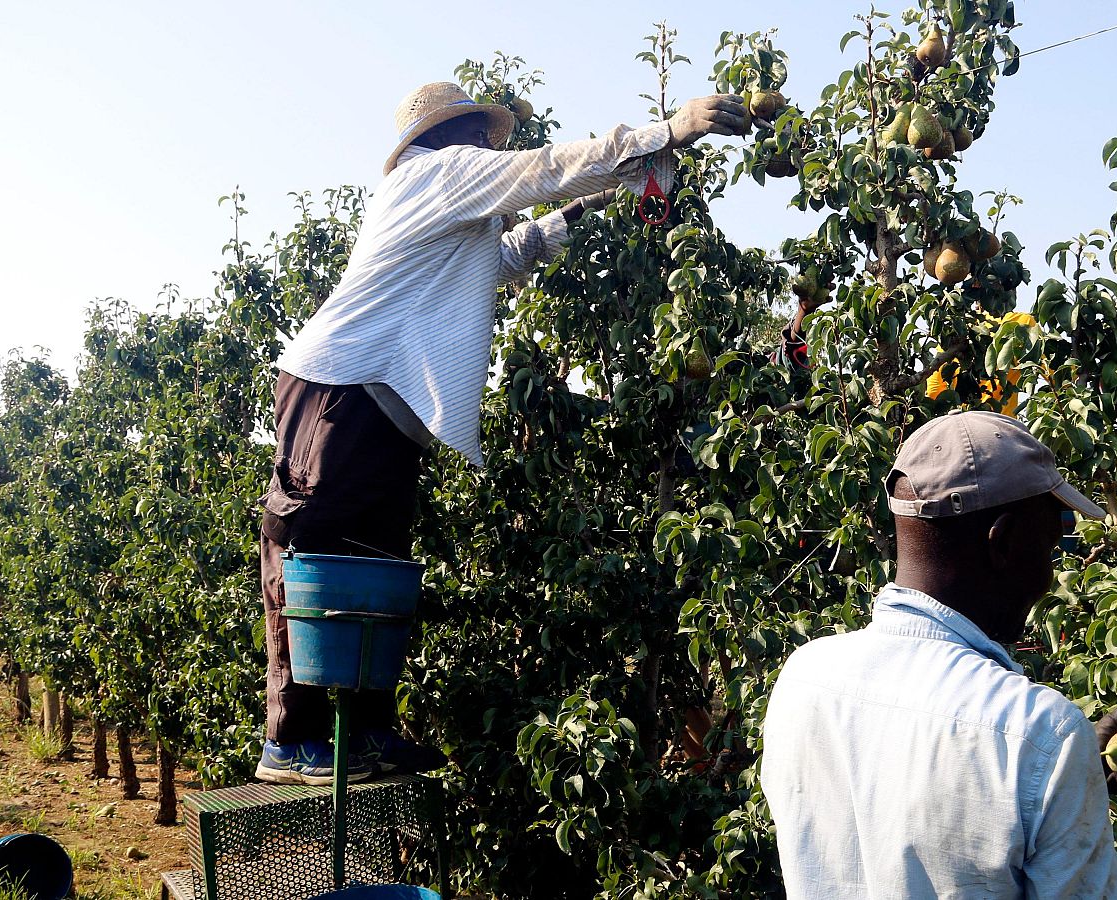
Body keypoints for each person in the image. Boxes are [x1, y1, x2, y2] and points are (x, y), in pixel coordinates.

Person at [254, 82, 749, 786]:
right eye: (477, 131)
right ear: (443, 136)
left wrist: (589, 207)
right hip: (338, 390)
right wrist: (664, 131)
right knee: (310, 545)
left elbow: (509, 257)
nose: (490, 144)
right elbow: (541, 169)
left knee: (373, 561)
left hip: (380, 409)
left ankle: (364, 730)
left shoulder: (456, 212)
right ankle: (291, 738)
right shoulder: (433, 174)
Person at [760, 410, 1117, 898]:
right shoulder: (1037, 731)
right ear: (1004, 540)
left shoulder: (803, 678)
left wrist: (1070, 780)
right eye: (1053, 539)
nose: (1054, 567)